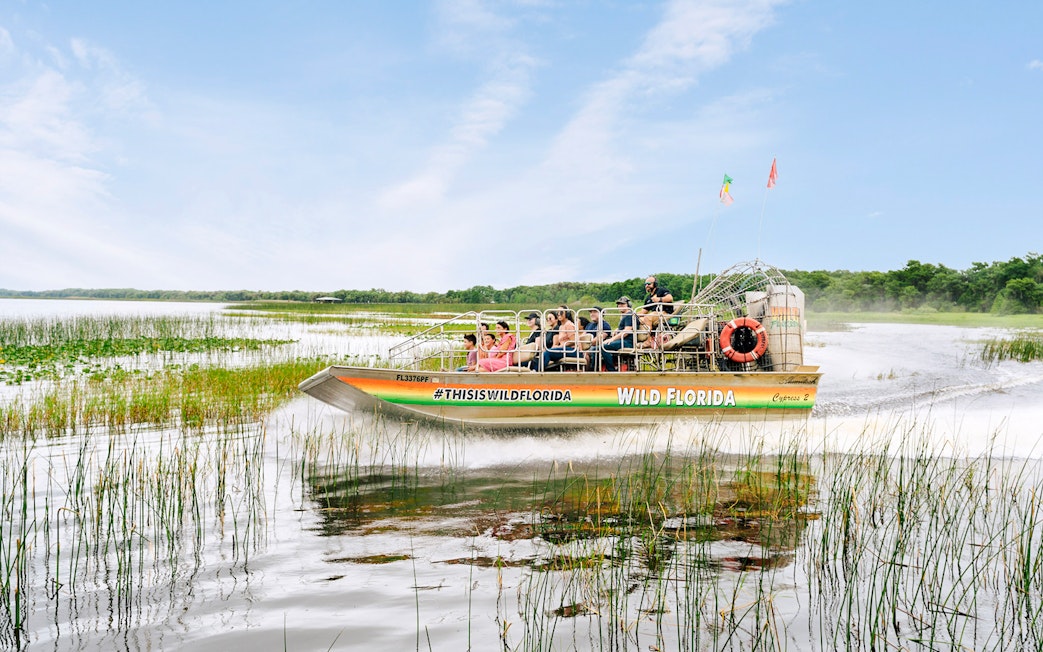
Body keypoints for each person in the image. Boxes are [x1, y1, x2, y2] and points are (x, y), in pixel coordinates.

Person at [595, 296, 636, 372]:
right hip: (623, 340)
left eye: (623, 304)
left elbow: (626, 331)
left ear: (628, 305)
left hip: (627, 342)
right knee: (596, 348)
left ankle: (611, 371)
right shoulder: (624, 316)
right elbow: (624, 328)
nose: (620, 306)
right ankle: (596, 369)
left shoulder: (629, 315)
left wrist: (612, 339)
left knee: (604, 346)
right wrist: (617, 330)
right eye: (619, 304)